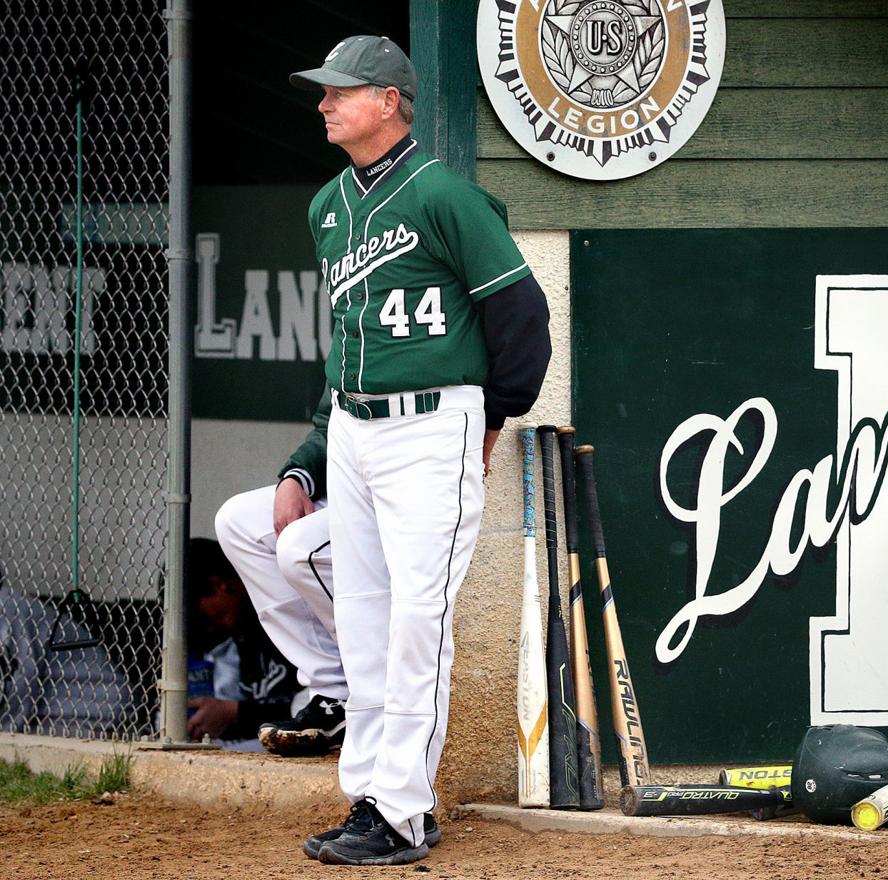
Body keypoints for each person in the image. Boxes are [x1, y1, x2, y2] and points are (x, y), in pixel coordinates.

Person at [288, 35, 551, 866]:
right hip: (360, 426)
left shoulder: (445, 197)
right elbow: (344, 336)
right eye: (323, 92)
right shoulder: (328, 206)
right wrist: (321, 445)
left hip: (434, 425)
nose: (325, 103)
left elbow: (523, 319)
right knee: (365, 620)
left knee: (416, 623)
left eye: (341, 91)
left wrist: (494, 415)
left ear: (390, 102)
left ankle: (401, 811)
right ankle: (372, 796)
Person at [215, 388, 350, 756]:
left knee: (298, 546)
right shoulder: (349, 332)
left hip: (394, 494)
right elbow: (329, 424)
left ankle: (375, 688)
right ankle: (334, 693)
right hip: (348, 490)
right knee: (237, 521)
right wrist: (296, 477)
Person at [185, 538, 301, 744]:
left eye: (199, 615)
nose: (205, 627)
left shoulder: (289, 615)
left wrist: (234, 713)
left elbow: (322, 708)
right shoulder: (240, 634)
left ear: (218, 585)